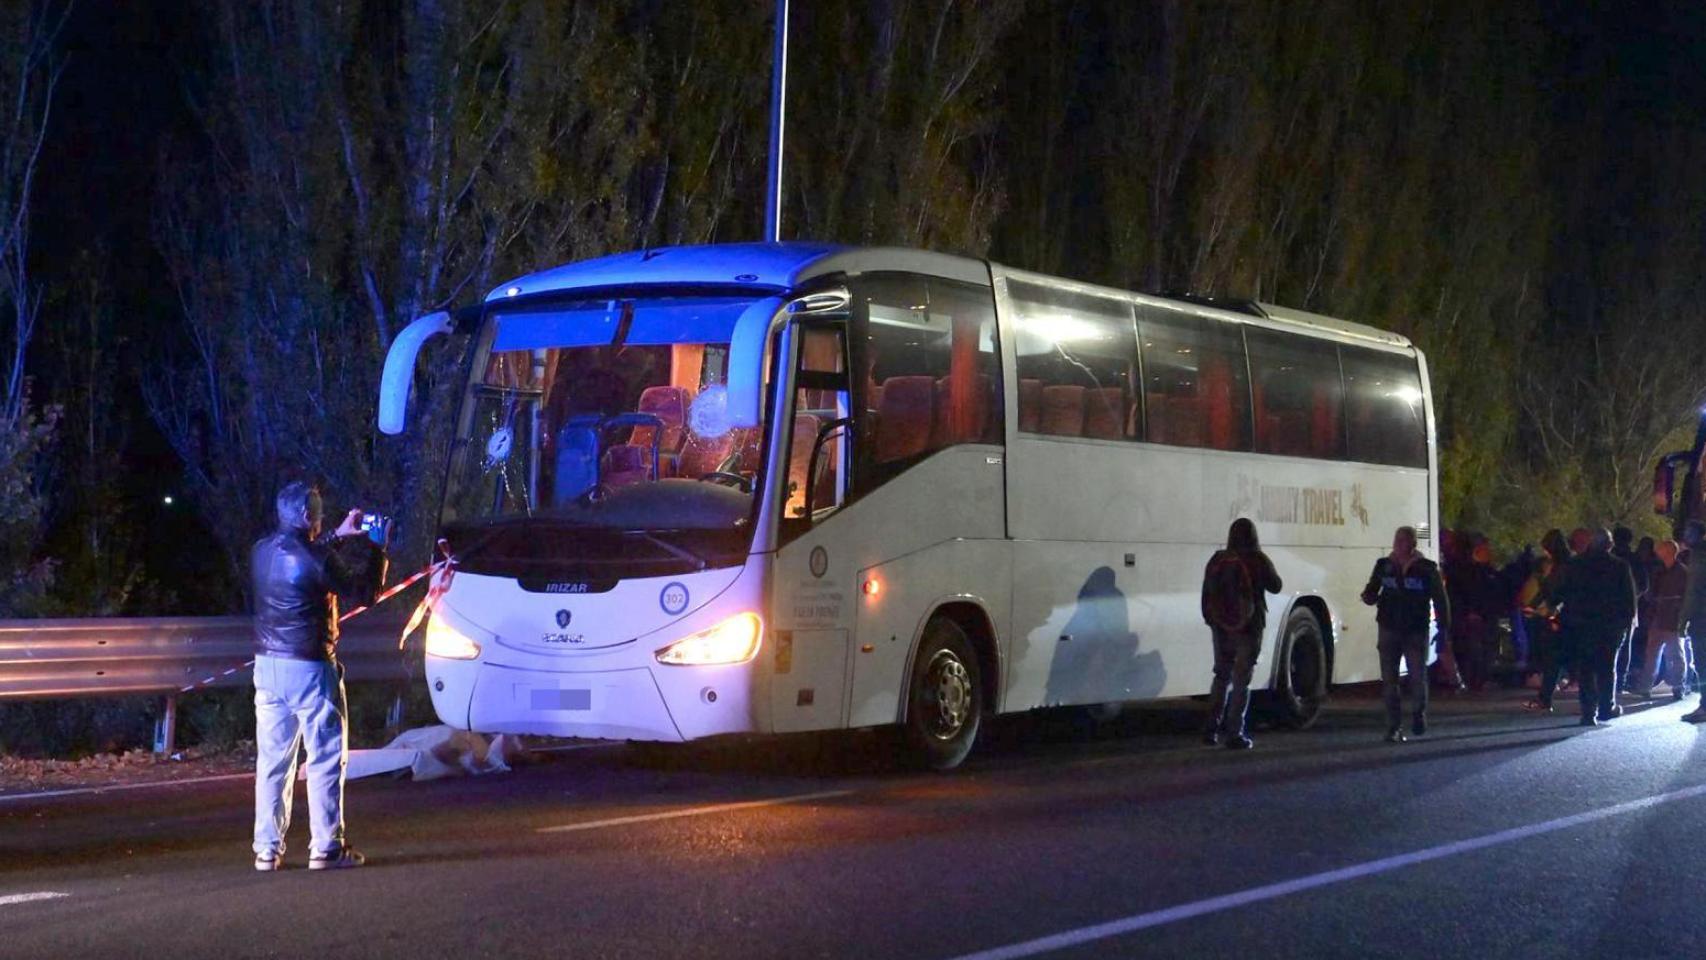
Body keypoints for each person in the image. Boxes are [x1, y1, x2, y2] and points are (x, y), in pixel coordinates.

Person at [251, 482, 375, 871]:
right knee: (323, 757)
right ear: (308, 517)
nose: (321, 521)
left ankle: (266, 849)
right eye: (319, 515)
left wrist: (339, 536)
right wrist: (378, 548)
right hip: (309, 667)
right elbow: (364, 592)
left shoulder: (260, 551)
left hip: (267, 666)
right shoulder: (316, 559)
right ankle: (326, 846)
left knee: (273, 762)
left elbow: (307, 560)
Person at [1362, 526, 1451, 743]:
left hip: (1415, 629)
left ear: (1413, 545)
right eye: (1398, 540)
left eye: (1405, 541)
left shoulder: (1426, 569)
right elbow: (1372, 591)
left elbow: (1440, 599)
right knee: (1389, 680)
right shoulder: (1384, 566)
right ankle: (1394, 726)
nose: (1400, 544)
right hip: (1388, 628)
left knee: (1417, 677)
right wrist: (1368, 596)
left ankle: (1418, 714)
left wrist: (1443, 627)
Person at [1200, 517, 1284, 750]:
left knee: (1221, 676)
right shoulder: (1257, 559)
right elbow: (1276, 585)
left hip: (1221, 626)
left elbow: (1207, 591)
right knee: (1241, 680)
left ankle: (1210, 729)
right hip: (1249, 626)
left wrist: (1213, 619)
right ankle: (1234, 732)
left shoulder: (1218, 559)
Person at [1551, 528, 1636, 726]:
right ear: (1609, 544)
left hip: (1581, 624)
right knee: (1607, 667)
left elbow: (1560, 591)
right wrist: (1625, 622)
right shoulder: (1619, 566)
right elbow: (1628, 598)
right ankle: (1607, 706)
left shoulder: (1575, 564)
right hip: (1609, 625)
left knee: (1586, 668)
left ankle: (1588, 711)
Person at [1522, 530, 1570, 711]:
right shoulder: (1568, 564)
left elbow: (1552, 591)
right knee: (1558, 657)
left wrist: (1536, 606)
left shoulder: (1560, 567)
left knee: (1552, 657)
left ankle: (1545, 698)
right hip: (1568, 614)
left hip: (1561, 616)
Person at [1635, 539, 1688, 700]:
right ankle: (1648, 686)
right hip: (1660, 618)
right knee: (1655, 654)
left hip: (1671, 618)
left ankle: (1677, 687)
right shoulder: (1662, 571)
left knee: (1674, 655)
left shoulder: (1680, 572)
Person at [1610, 526, 1649, 694]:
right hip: (1629, 608)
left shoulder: (1610, 558)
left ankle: (1605, 679)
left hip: (1607, 608)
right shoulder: (1635, 560)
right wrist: (1634, 596)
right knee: (1626, 645)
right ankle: (1620, 681)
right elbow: (1644, 585)